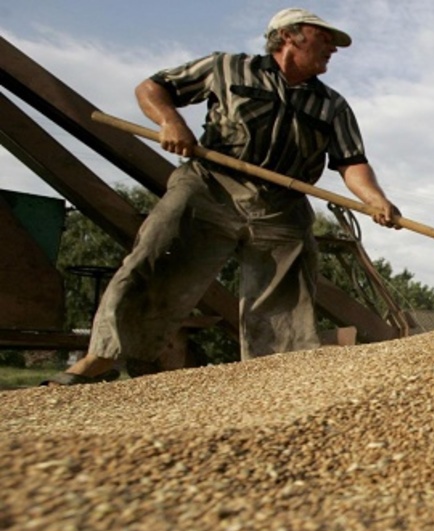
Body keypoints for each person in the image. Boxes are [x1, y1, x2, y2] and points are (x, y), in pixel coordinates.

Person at [43, 8, 401, 386]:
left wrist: (375, 198)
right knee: (156, 261)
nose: (333, 48)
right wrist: (171, 122)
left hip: (282, 204)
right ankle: (100, 359)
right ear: (290, 36)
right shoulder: (227, 67)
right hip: (210, 186)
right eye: (324, 37)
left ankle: (273, 380)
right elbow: (151, 89)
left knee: (285, 299)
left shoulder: (333, 105)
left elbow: (351, 162)